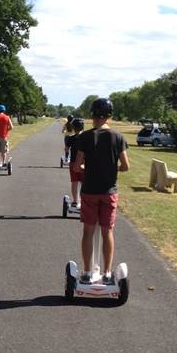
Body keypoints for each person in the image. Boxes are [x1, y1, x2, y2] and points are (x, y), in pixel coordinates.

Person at [72, 97, 129, 284]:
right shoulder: (118, 137)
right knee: (107, 231)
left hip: (89, 191)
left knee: (88, 231)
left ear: (92, 115)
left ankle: (87, 271)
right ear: (109, 116)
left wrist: (87, 169)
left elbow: (77, 166)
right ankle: (107, 272)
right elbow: (125, 166)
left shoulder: (85, 137)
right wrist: (113, 168)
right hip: (108, 191)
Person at [65, 117, 84, 205]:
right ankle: (83, 201)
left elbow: (66, 149)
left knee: (74, 182)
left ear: (73, 127)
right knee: (83, 183)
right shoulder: (87, 138)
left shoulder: (71, 138)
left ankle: (75, 201)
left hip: (73, 162)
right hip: (84, 163)